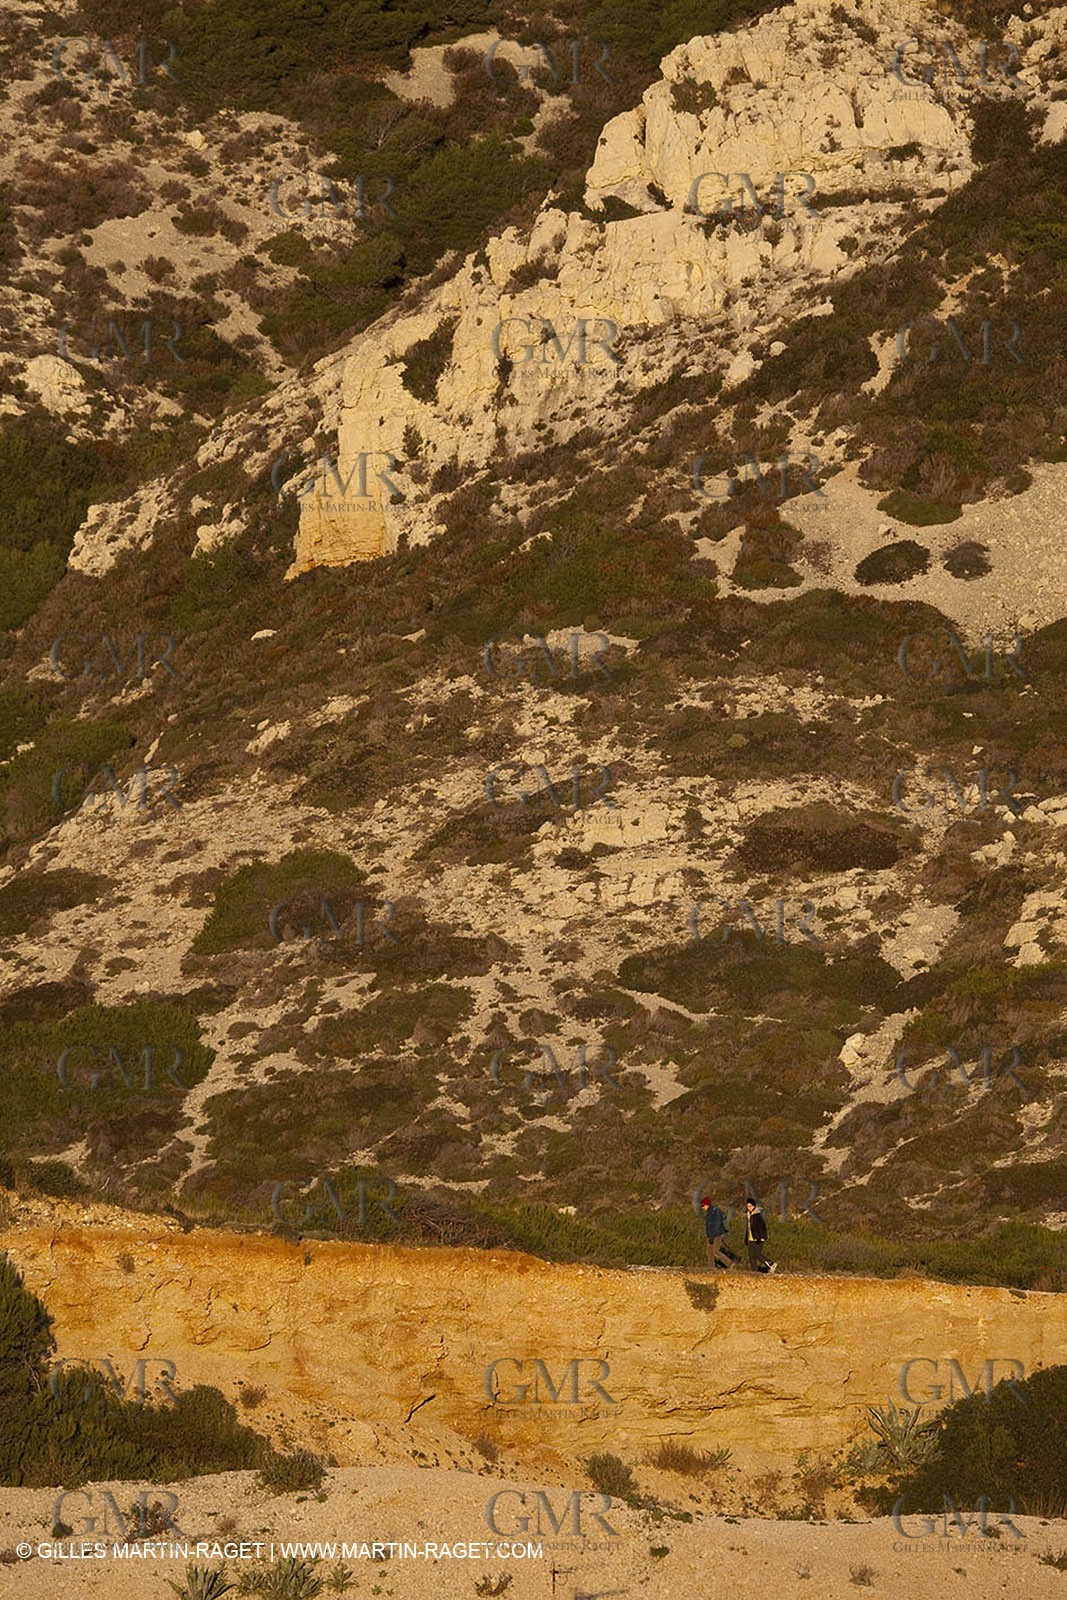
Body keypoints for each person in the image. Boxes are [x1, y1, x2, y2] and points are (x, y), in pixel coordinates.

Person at [700, 1196, 736, 1269]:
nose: (702, 1207)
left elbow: (716, 1224)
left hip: (717, 1234)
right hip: (711, 1235)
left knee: (715, 1251)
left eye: (703, 1205)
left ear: (707, 1204)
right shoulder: (709, 1212)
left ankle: (729, 1263)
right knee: (709, 1251)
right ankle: (711, 1267)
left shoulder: (715, 1211)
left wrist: (712, 1236)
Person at [745, 1198, 777, 1274]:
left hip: (758, 1238)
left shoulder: (757, 1216)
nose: (749, 1208)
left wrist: (760, 1238)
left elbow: (761, 1227)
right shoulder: (749, 1215)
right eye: (747, 1206)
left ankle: (771, 1264)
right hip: (751, 1238)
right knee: (751, 1255)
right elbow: (749, 1227)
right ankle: (754, 1271)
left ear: (754, 1206)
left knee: (757, 1254)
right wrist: (746, 1238)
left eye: (750, 1206)